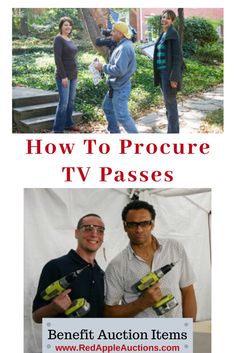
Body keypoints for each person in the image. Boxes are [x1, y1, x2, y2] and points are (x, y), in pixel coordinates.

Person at [104, 200, 197, 319]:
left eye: (144, 223)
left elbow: (188, 290)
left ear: (152, 224)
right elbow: (108, 312)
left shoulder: (174, 248)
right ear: (125, 226)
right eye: (132, 224)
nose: (139, 230)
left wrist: (189, 329)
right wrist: (141, 303)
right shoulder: (117, 265)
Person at [32, 214, 105, 323]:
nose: (94, 234)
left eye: (100, 230)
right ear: (76, 233)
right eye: (88, 229)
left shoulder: (101, 274)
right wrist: (53, 308)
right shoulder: (55, 266)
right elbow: (36, 317)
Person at [94, 22, 138, 134]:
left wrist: (102, 67)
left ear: (120, 33)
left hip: (120, 88)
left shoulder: (124, 48)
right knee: (107, 107)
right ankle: (114, 132)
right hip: (115, 86)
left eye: (113, 31)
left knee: (123, 117)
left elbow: (119, 70)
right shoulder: (122, 45)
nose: (111, 34)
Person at [153, 9, 184, 133]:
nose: (164, 19)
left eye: (168, 18)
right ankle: (172, 130)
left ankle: (173, 133)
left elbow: (178, 58)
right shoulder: (163, 34)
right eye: (163, 17)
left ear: (172, 21)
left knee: (171, 105)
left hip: (168, 74)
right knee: (168, 103)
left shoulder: (173, 34)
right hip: (161, 73)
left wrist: (174, 78)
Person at [52, 17, 80, 133]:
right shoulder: (58, 39)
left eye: (69, 25)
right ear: (61, 27)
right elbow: (58, 59)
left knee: (71, 101)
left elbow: (72, 57)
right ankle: (58, 129)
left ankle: (69, 123)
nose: (68, 27)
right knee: (63, 102)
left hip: (73, 75)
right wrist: (63, 76)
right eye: (65, 25)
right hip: (63, 76)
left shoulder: (69, 39)